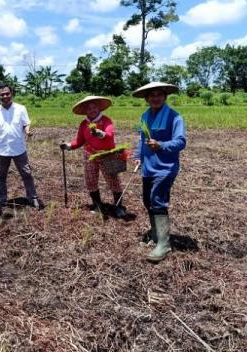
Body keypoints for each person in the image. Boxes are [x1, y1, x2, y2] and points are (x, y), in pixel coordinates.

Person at [132, 82, 186, 263]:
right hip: (148, 166)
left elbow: (181, 142)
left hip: (166, 167)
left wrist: (162, 145)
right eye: (151, 95)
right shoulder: (145, 116)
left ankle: (164, 244)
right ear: (147, 99)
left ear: (165, 96)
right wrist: (138, 156)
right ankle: (155, 235)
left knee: (158, 200)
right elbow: (142, 139)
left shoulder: (175, 117)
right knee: (147, 201)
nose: (155, 98)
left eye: (159, 94)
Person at [60, 96, 127, 218]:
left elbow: (109, 134)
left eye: (94, 107)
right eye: (89, 108)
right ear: (85, 110)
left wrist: (100, 134)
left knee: (113, 180)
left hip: (106, 154)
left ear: (98, 108)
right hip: (90, 154)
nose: (92, 110)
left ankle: (118, 207)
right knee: (90, 181)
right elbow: (79, 141)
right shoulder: (84, 124)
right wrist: (68, 146)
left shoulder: (106, 120)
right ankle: (97, 206)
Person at [0, 84, 44, 216]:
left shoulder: (21, 109)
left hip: (19, 148)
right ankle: (1, 199)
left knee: (27, 173)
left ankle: (32, 197)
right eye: (2, 94)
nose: (5, 96)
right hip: (2, 149)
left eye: (7, 93)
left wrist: (28, 131)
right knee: (1, 176)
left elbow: (26, 123)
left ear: (12, 94)